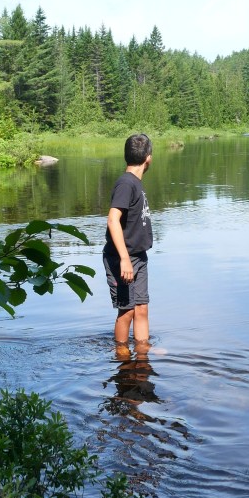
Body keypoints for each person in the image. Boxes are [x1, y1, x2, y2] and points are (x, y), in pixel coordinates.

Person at [103, 133, 153, 348]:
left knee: (141, 308)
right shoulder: (126, 184)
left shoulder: (135, 183)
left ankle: (142, 351)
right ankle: (122, 356)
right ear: (148, 158)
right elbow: (113, 220)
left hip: (138, 257)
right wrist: (124, 259)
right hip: (122, 258)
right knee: (127, 310)